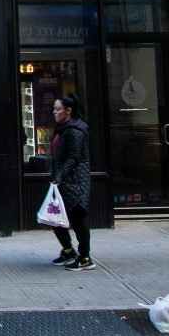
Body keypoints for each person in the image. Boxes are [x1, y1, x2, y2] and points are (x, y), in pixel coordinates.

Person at [48, 92, 94, 271]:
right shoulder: (64, 128)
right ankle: (68, 251)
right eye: (54, 109)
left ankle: (85, 257)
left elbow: (73, 158)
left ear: (68, 111)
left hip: (75, 181)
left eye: (57, 109)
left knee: (78, 220)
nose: (54, 112)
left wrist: (59, 176)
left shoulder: (74, 130)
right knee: (54, 218)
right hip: (63, 180)